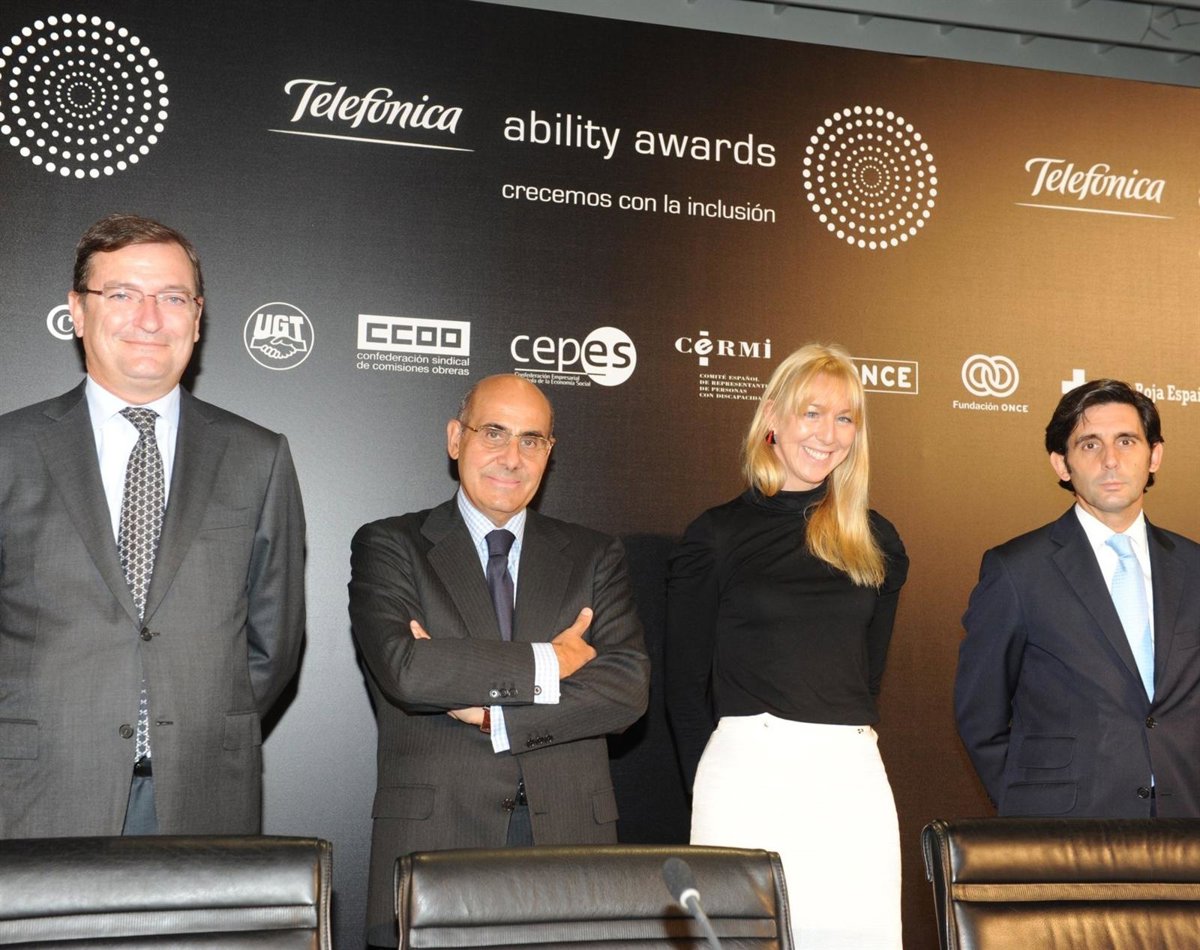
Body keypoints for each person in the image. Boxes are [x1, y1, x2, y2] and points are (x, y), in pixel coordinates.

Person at [0, 213, 306, 838]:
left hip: (204, 794)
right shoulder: (10, 448)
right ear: (77, 311)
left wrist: (202, 723)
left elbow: (273, 641)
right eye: (122, 295)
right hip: (35, 792)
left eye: (172, 297)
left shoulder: (258, 456)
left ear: (198, 317)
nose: (149, 319)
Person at [349, 373, 650, 948]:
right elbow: (409, 670)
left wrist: (495, 716)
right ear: (455, 438)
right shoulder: (391, 545)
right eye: (493, 432)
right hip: (437, 838)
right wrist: (551, 661)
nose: (512, 457)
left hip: (569, 840)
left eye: (531, 440)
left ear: (549, 453)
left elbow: (624, 689)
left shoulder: (593, 555)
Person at [666, 342, 909, 949]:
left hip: (851, 778)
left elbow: (866, 674)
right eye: (812, 412)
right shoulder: (717, 535)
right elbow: (683, 686)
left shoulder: (877, 539)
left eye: (845, 417)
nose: (828, 434)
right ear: (772, 417)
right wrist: (712, 784)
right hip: (746, 776)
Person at [956, 378, 1200, 817]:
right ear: (1061, 464)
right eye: (1090, 445)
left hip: (1185, 817)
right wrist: (1028, 804)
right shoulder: (1017, 570)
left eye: (1126, 440)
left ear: (1154, 455)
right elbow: (980, 714)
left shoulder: (1194, 566)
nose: (1111, 460)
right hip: (1066, 828)